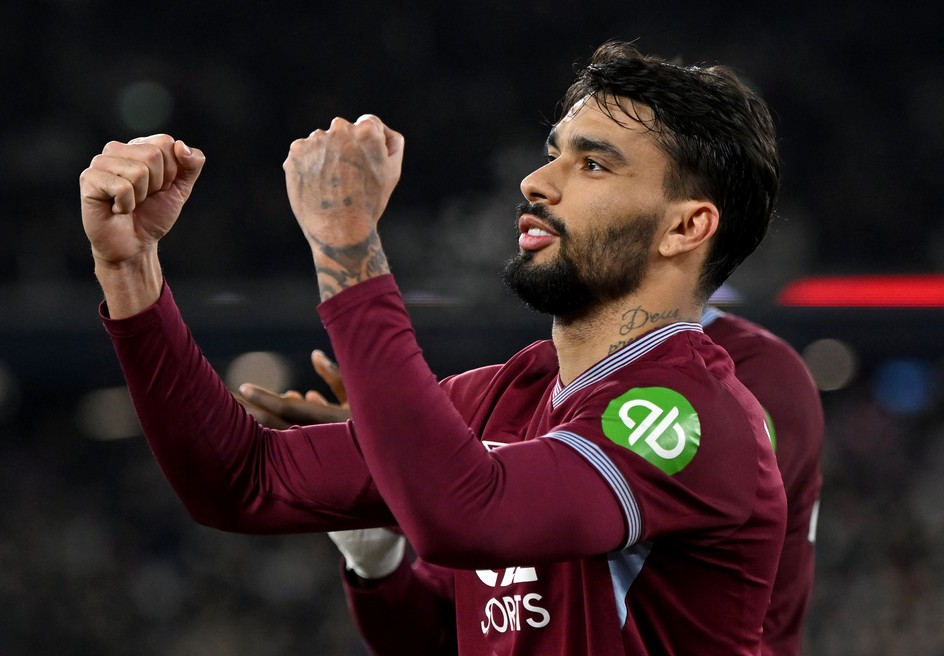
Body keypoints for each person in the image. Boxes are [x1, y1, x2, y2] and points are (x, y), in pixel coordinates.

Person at [80, 40, 786, 654]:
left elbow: (469, 515)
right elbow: (239, 483)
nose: (536, 182)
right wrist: (130, 269)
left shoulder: (692, 417)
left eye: (594, 165)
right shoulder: (496, 399)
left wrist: (347, 241)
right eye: (554, 154)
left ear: (686, 228)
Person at [243, 303, 825, 655]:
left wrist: (414, 461)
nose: (539, 188)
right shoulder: (541, 388)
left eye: (595, 167)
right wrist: (376, 560)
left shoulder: (752, 377)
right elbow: (444, 636)